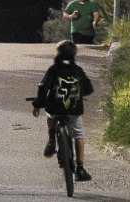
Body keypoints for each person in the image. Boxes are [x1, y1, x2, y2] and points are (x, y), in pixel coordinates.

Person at [32, 39, 95, 182]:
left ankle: (52, 138)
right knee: (79, 135)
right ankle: (80, 168)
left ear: (58, 54)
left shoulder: (53, 70)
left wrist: (38, 104)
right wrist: (78, 93)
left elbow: (43, 87)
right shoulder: (78, 70)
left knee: (50, 115)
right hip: (74, 110)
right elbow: (88, 89)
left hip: (54, 108)